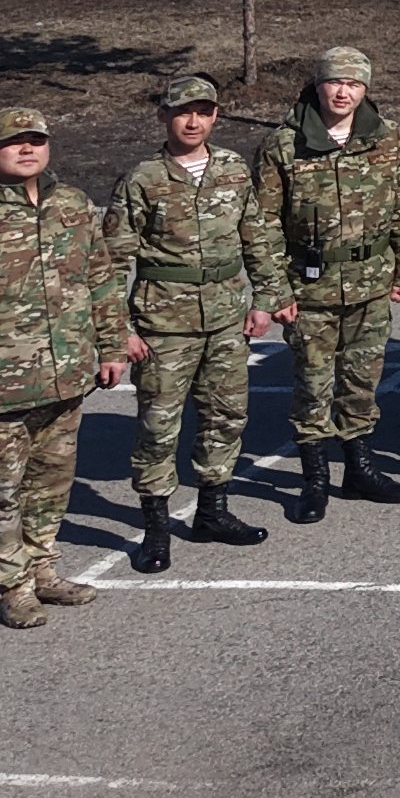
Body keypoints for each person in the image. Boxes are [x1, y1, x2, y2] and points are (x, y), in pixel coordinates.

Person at [0, 106, 124, 628]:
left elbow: (99, 281)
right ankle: (8, 585)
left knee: (52, 482)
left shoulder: (73, 205)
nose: (27, 148)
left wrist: (111, 348)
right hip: (0, 386)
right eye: (14, 141)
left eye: (36, 139)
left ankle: (42, 567)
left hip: (67, 376)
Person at [110, 74, 282, 570]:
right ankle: (157, 529)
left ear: (215, 117)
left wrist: (266, 297)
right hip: (164, 322)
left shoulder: (233, 169)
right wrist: (119, 328)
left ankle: (212, 512)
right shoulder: (142, 179)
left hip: (227, 318)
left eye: (203, 111)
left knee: (225, 417)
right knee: (158, 427)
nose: (193, 120)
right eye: (183, 111)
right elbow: (113, 261)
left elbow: (257, 236)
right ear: (163, 116)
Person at [257, 46, 400, 523]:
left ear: (366, 89)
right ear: (318, 85)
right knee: (312, 384)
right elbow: (263, 224)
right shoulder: (284, 146)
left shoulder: (388, 139)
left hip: (370, 283)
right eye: (334, 82)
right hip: (311, 289)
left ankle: (359, 468)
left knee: (361, 380)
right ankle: (314, 479)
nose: (343, 91)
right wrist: (276, 291)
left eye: (353, 84)